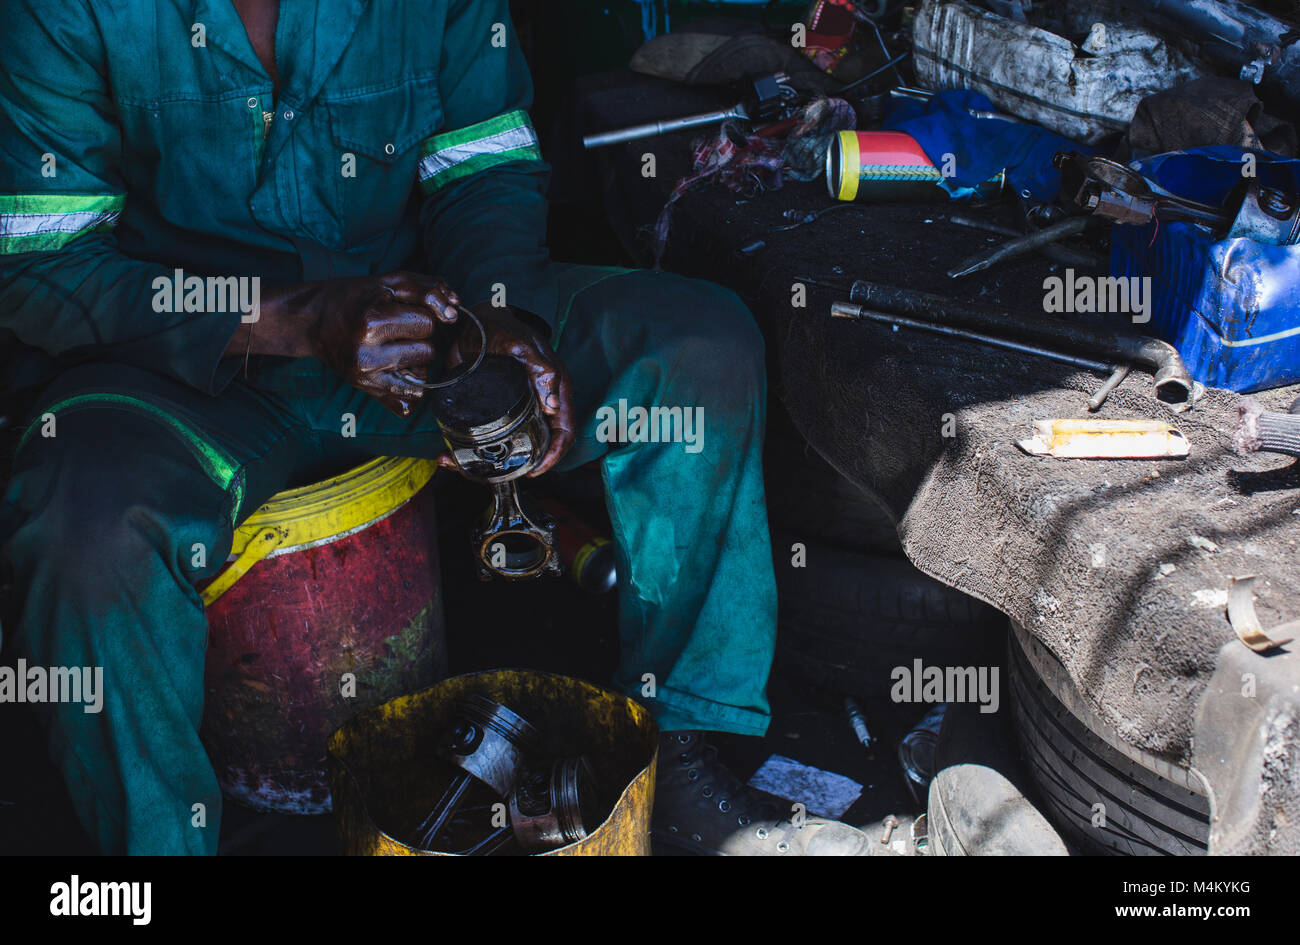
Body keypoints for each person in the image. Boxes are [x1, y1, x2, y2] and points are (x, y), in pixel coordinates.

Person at [0, 0, 871, 855]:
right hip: (178, 381)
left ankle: (678, 745)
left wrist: (497, 319)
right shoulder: (66, 11)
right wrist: (293, 317)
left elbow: (479, 164)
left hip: (414, 346)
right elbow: (43, 265)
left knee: (697, 348)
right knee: (86, 535)